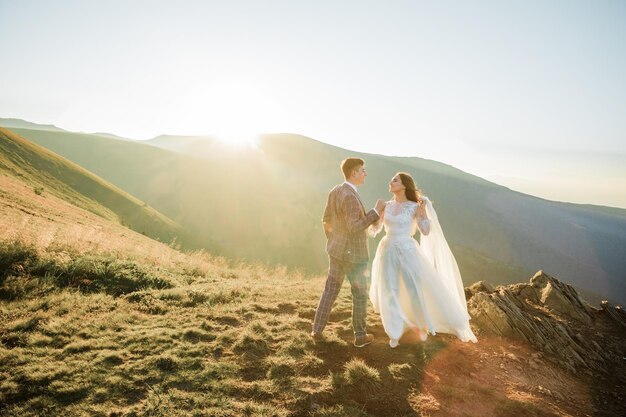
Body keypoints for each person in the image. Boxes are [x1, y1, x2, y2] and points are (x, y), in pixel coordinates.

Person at [369, 172, 477, 348]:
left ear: (404, 185)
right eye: (391, 179)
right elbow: (375, 230)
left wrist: (422, 215)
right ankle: (394, 332)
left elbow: (426, 231)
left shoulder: (414, 206)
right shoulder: (386, 206)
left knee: (413, 289)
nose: (390, 182)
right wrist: (376, 211)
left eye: (394, 180)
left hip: (407, 250)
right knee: (390, 290)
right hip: (387, 249)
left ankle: (421, 327)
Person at [311, 157, 386, 347]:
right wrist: (375, 212)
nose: (365, 173)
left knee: (330, 291)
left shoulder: (335, 191)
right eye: (362, 170)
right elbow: (355, 227)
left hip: (336, 251)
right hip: (355, 256)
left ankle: (316, 331)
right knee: (359, 294)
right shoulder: (351, 196)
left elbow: (325, 219)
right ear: (353, 173)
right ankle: (360, 337)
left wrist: (333, 241)